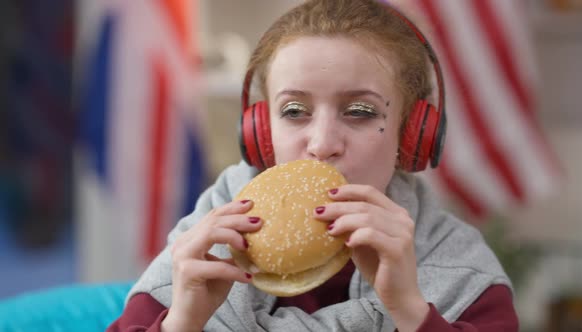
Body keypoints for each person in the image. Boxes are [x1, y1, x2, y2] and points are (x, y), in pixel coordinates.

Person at [108, 0, 518, 331]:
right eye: (294, 110)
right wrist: (182, 322)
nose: (321, 144)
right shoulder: (197, 248)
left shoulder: (464, 274)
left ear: (410, 135)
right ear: (261, 133)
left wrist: (411, 311)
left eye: (359, 111)